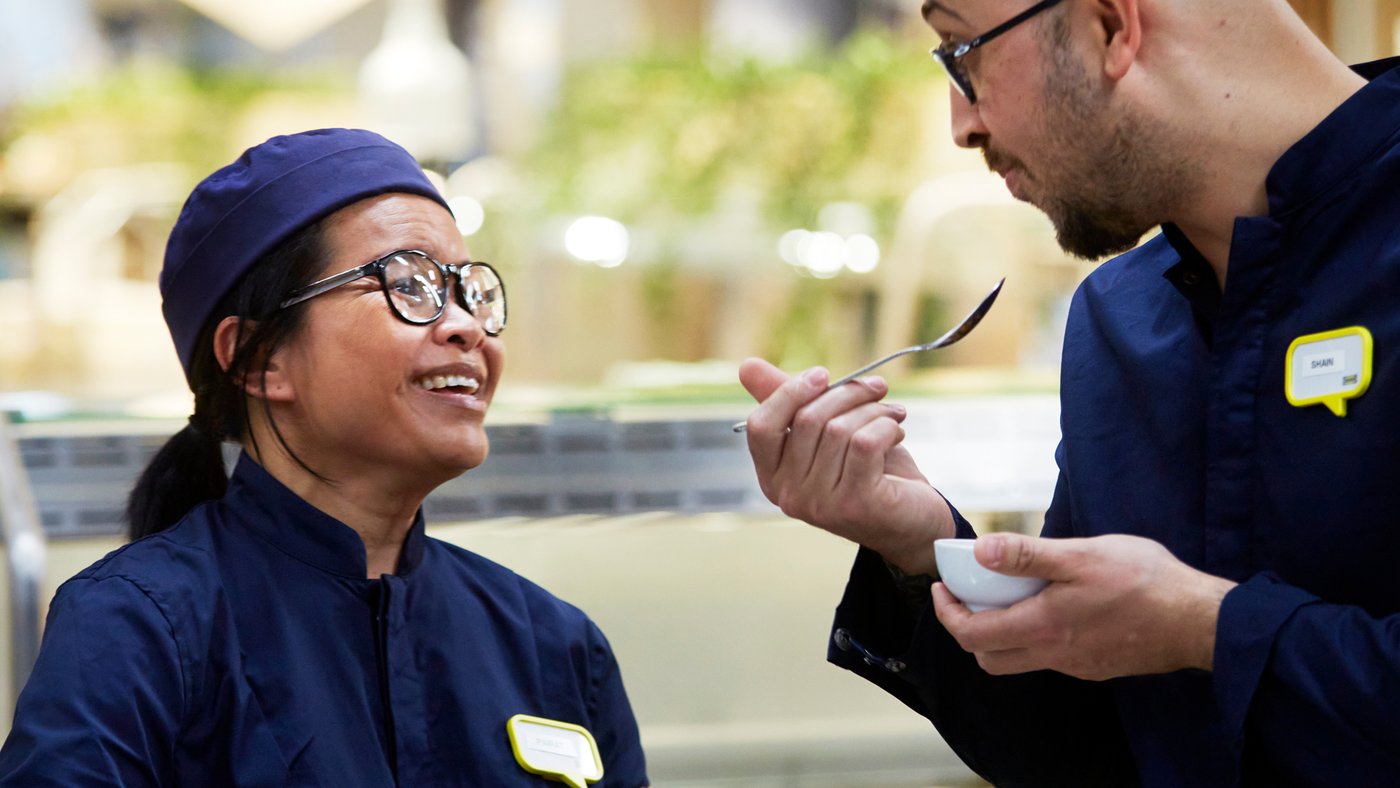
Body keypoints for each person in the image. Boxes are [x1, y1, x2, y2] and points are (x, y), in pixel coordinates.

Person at [739, 0, 1400, 784]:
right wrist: (924, 549)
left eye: (961, 50)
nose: (961, 126)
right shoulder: (1120, 319)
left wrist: (1207, 629)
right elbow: (1087, 748)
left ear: (1111, 26)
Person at [0, 128, 649, 786]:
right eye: (410, 283)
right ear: (258, 360)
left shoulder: (553, 646)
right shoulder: (135, 629)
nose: (465, 326)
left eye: (471, 291)